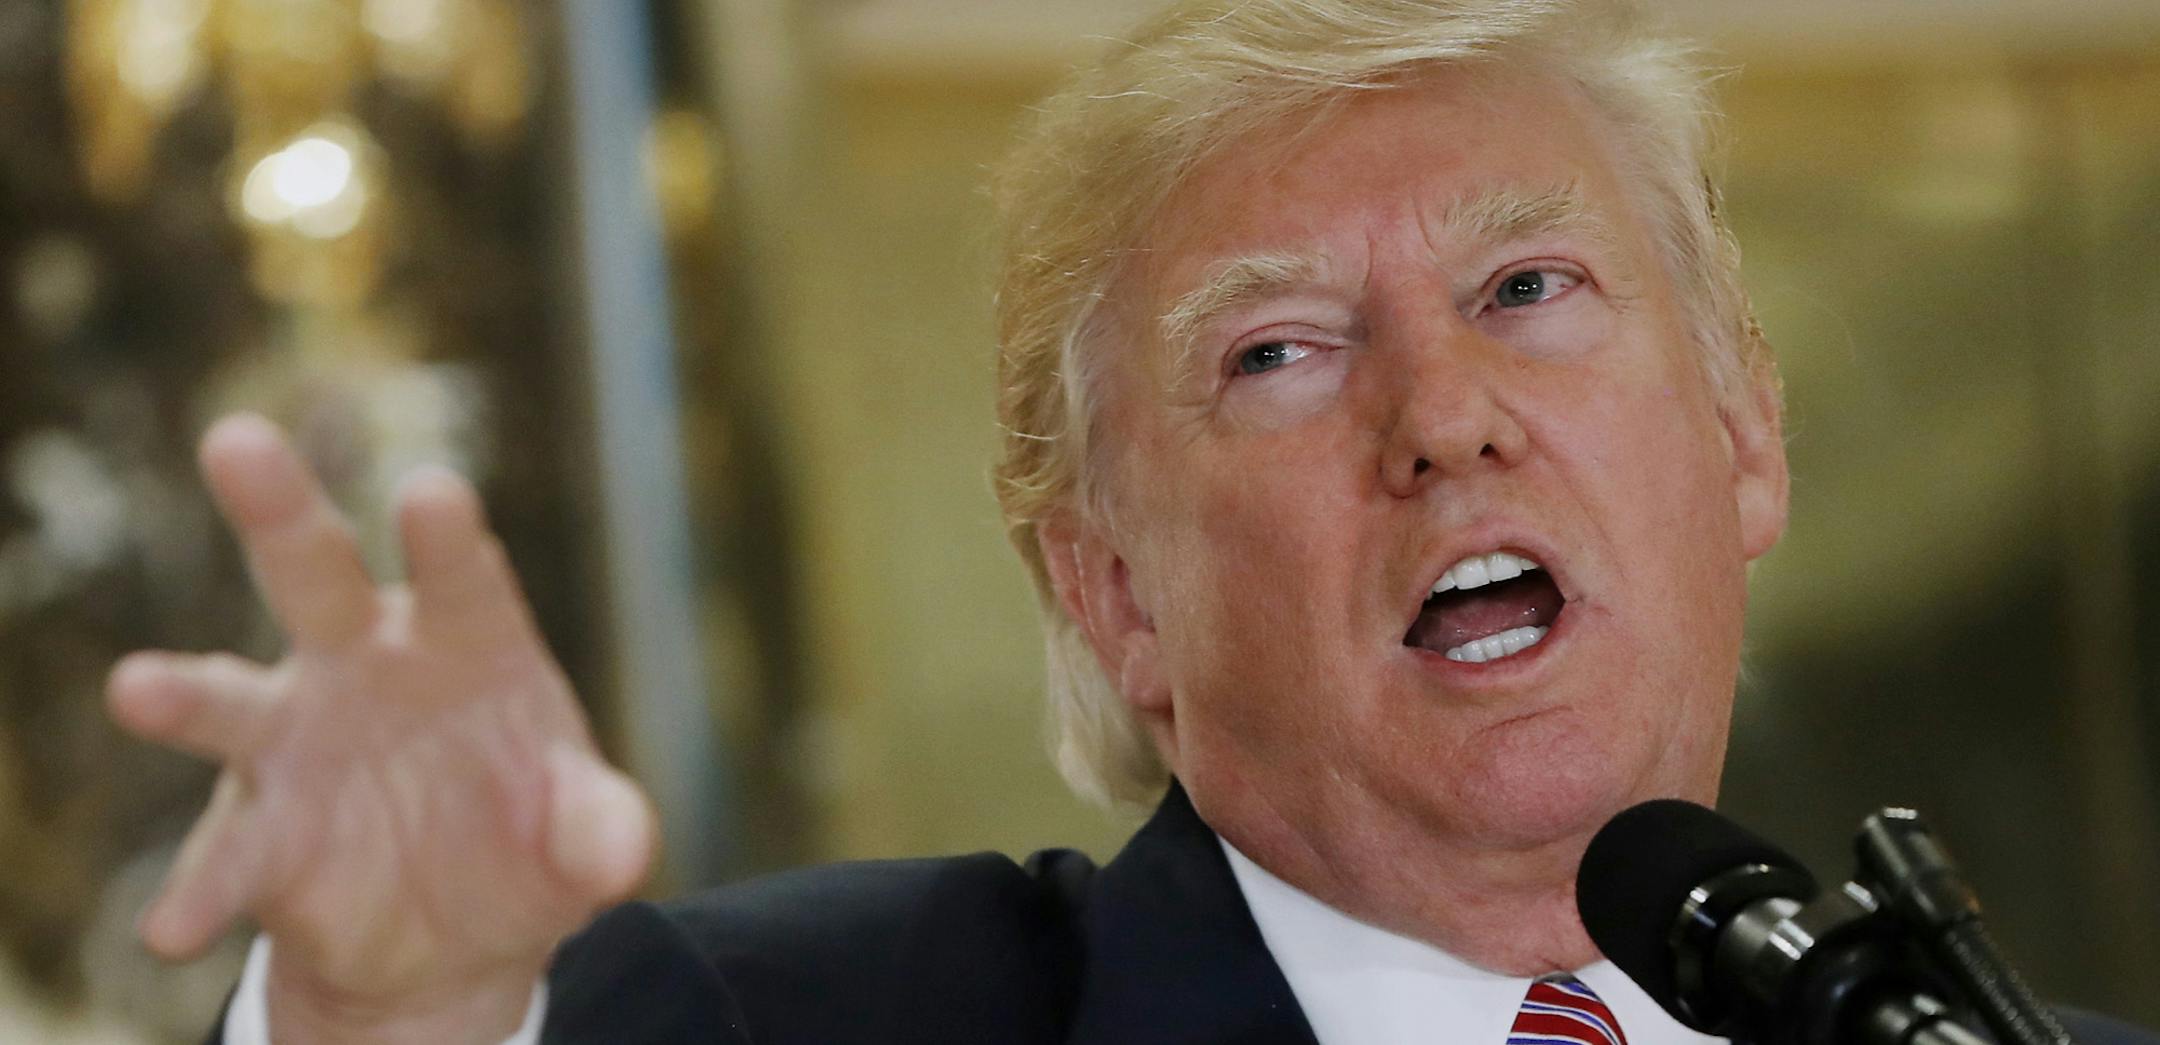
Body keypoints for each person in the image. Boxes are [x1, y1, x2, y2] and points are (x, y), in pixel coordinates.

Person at [104, 1, 2157, 1042]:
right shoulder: (801, 1028)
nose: (1446, 419)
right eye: (1279, 352)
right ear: (1111, 597)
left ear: (1744, 436)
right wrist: (386, 1013)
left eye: (1528, 292)